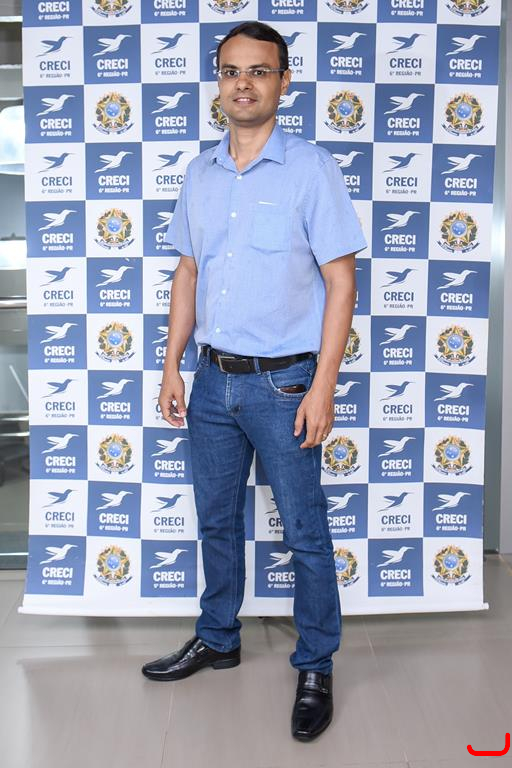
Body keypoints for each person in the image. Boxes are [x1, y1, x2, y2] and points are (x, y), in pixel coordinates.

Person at [141, 20, 367, 741]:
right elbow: (188, 272)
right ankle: (219, 637)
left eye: (259, 71)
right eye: (232, 71)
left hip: (286, 386)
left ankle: (316, 663)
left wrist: (324, 385)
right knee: (216, 519)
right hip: (212, 382)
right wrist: (172, 365)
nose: (244, 83)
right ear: (218, 82)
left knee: (305, 531)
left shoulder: (311, 169)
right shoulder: (200, 173)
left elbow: (341, 282)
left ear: (283, 82)